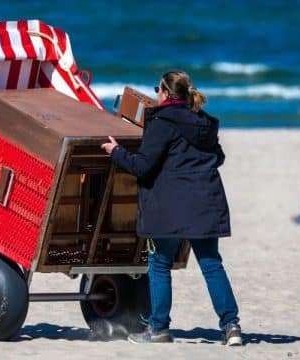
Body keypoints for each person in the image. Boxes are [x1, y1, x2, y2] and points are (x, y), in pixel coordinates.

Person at [100, 71, 241, 346]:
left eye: (157, 89)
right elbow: (218, 157)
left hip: (169, 207)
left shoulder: (162, 122)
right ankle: (231, 326)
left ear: (164, 93)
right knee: (212, 265)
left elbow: (142, 166)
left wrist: (115, 151)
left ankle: (159, 329)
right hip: (205, 203)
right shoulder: (203, 122)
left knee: (159, 264)